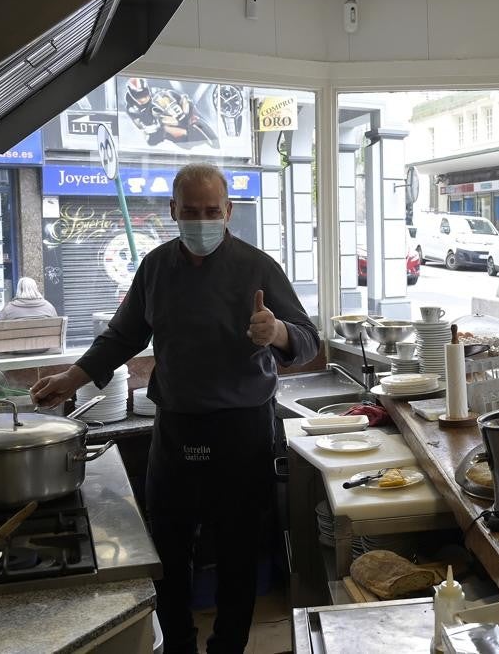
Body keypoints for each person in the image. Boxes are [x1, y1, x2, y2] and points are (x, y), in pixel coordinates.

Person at [30, 162, 319, 654]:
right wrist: (71, 378)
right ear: (173, 212)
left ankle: (227, 647)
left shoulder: (258, 267)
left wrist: (279, 333)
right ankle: (178, 646)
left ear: (228, 211)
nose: (202, 220)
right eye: (191, 211)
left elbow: (308, 341)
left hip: (242, 431)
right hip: (176, 428)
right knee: (167, 548)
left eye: (212, 211)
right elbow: (122, 336)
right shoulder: (156, 267)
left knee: (237, 553)